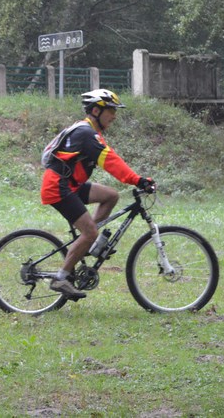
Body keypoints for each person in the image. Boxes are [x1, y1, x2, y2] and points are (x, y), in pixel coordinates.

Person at [41, 89, 154, 299]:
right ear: (96, 110)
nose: (114, 115)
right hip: (57, 186)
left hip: (70, 184)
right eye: (110, 110)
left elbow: (109, 160)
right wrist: (138, 180)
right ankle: (61, 277)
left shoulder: (89, 132)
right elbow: (111, 162)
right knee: (91, 231)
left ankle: (87, 244)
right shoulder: (86, 133)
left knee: (111, 196)